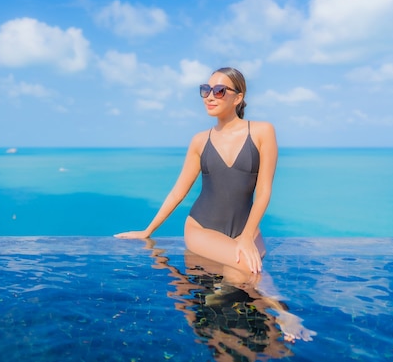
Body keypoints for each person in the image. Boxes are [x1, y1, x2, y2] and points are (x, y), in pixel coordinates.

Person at [115, 67, 277, 285]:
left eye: (219, 91)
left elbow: (264, 191)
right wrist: (147, 231)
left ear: (238, 98)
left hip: (245, 230)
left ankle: (231, 310)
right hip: (202, 228)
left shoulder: (262, 132)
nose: (210, 96)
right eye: (205, 90)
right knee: (249, 268)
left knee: (238, 276)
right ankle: (284, 315)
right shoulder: (200, 141)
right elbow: (178, 192)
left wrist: (247, 237)